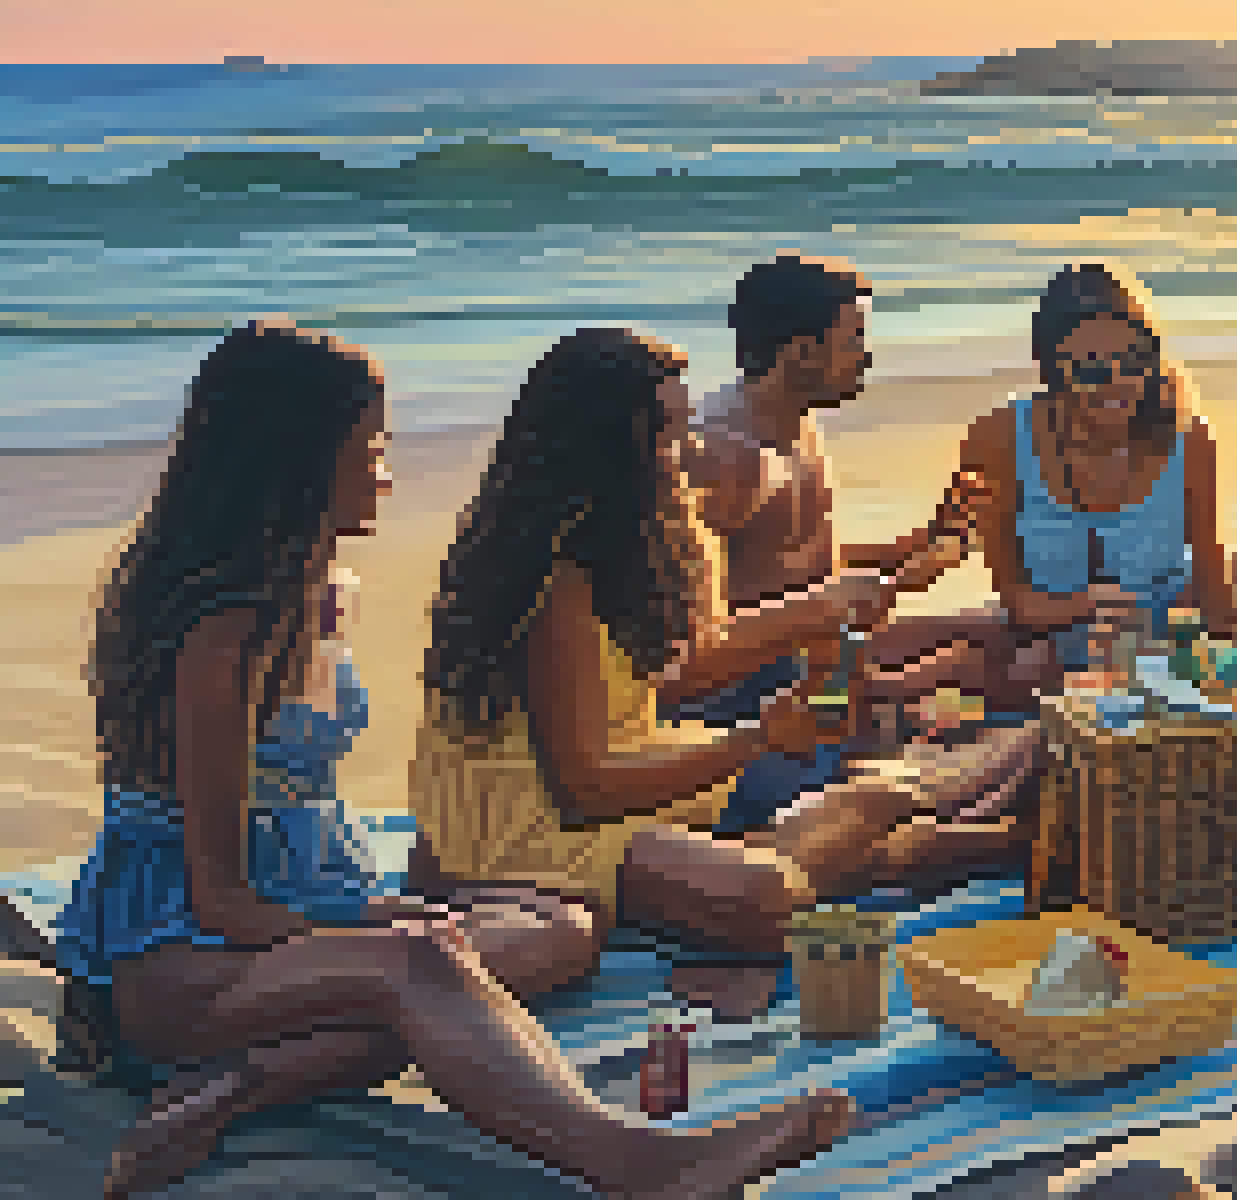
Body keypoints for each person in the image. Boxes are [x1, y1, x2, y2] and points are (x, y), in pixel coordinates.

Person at [55, 320, 850, 1200]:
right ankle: (644, 1166)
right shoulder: (227, 632)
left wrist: (384, 913)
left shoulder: (319, 594)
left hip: (287, 913)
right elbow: (221, 897)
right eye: (369, 441)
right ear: (300, 460)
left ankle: (240, 1088)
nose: (385, 460)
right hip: (182, 962)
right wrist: (381, 926)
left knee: (561, 929)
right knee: (426, 961)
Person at [410, 328, 1041, 1022]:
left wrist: (815, 613)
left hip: (607, 779)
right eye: (672, 434)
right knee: (773, 890)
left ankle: (987, 821)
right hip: (525, 818)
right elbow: (583, 788)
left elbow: (670, 672)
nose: (692, 452)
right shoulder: (557, 574)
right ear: (611, 449)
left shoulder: (623, 535)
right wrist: (758, 738)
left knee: (854, 813)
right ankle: (969, 805)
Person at [670, 255, 1026, 836]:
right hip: (744, 707)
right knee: (947, 776)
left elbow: (792, 560)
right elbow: (684, 639)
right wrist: (895, 588)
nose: (866, 355)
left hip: (815, 665)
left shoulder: (796, 423)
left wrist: (917, 547)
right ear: (801, 353)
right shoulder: (724, 459)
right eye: (854, 337)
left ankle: (882, 736)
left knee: (998, 640)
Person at [927, 263, 1237, 709]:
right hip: (1053, 628)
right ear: (1051, 367)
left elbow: (1209, 572)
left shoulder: (1188, 437)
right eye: (1092, 370)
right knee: (1006, 663)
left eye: (1135, 361)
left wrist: (1234, 671)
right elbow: (1016, 597)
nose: (1119, 383)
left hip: (1161, 632)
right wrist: (1086, 606)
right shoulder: (1000, 437)